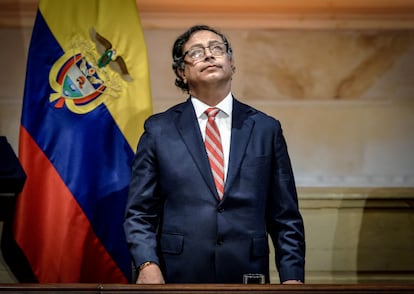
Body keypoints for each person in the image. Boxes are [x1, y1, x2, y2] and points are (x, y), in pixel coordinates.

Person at [124, 24, 305, 284]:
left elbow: (285, 215)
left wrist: (292, 277)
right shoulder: (159, 130)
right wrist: (146, 263)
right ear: (181, 72)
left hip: (247, 273)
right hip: (177, 274)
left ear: (231, 63)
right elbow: (140, 212)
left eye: (217, 49)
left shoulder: (266, 129)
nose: (209, 55)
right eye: (196, 52)